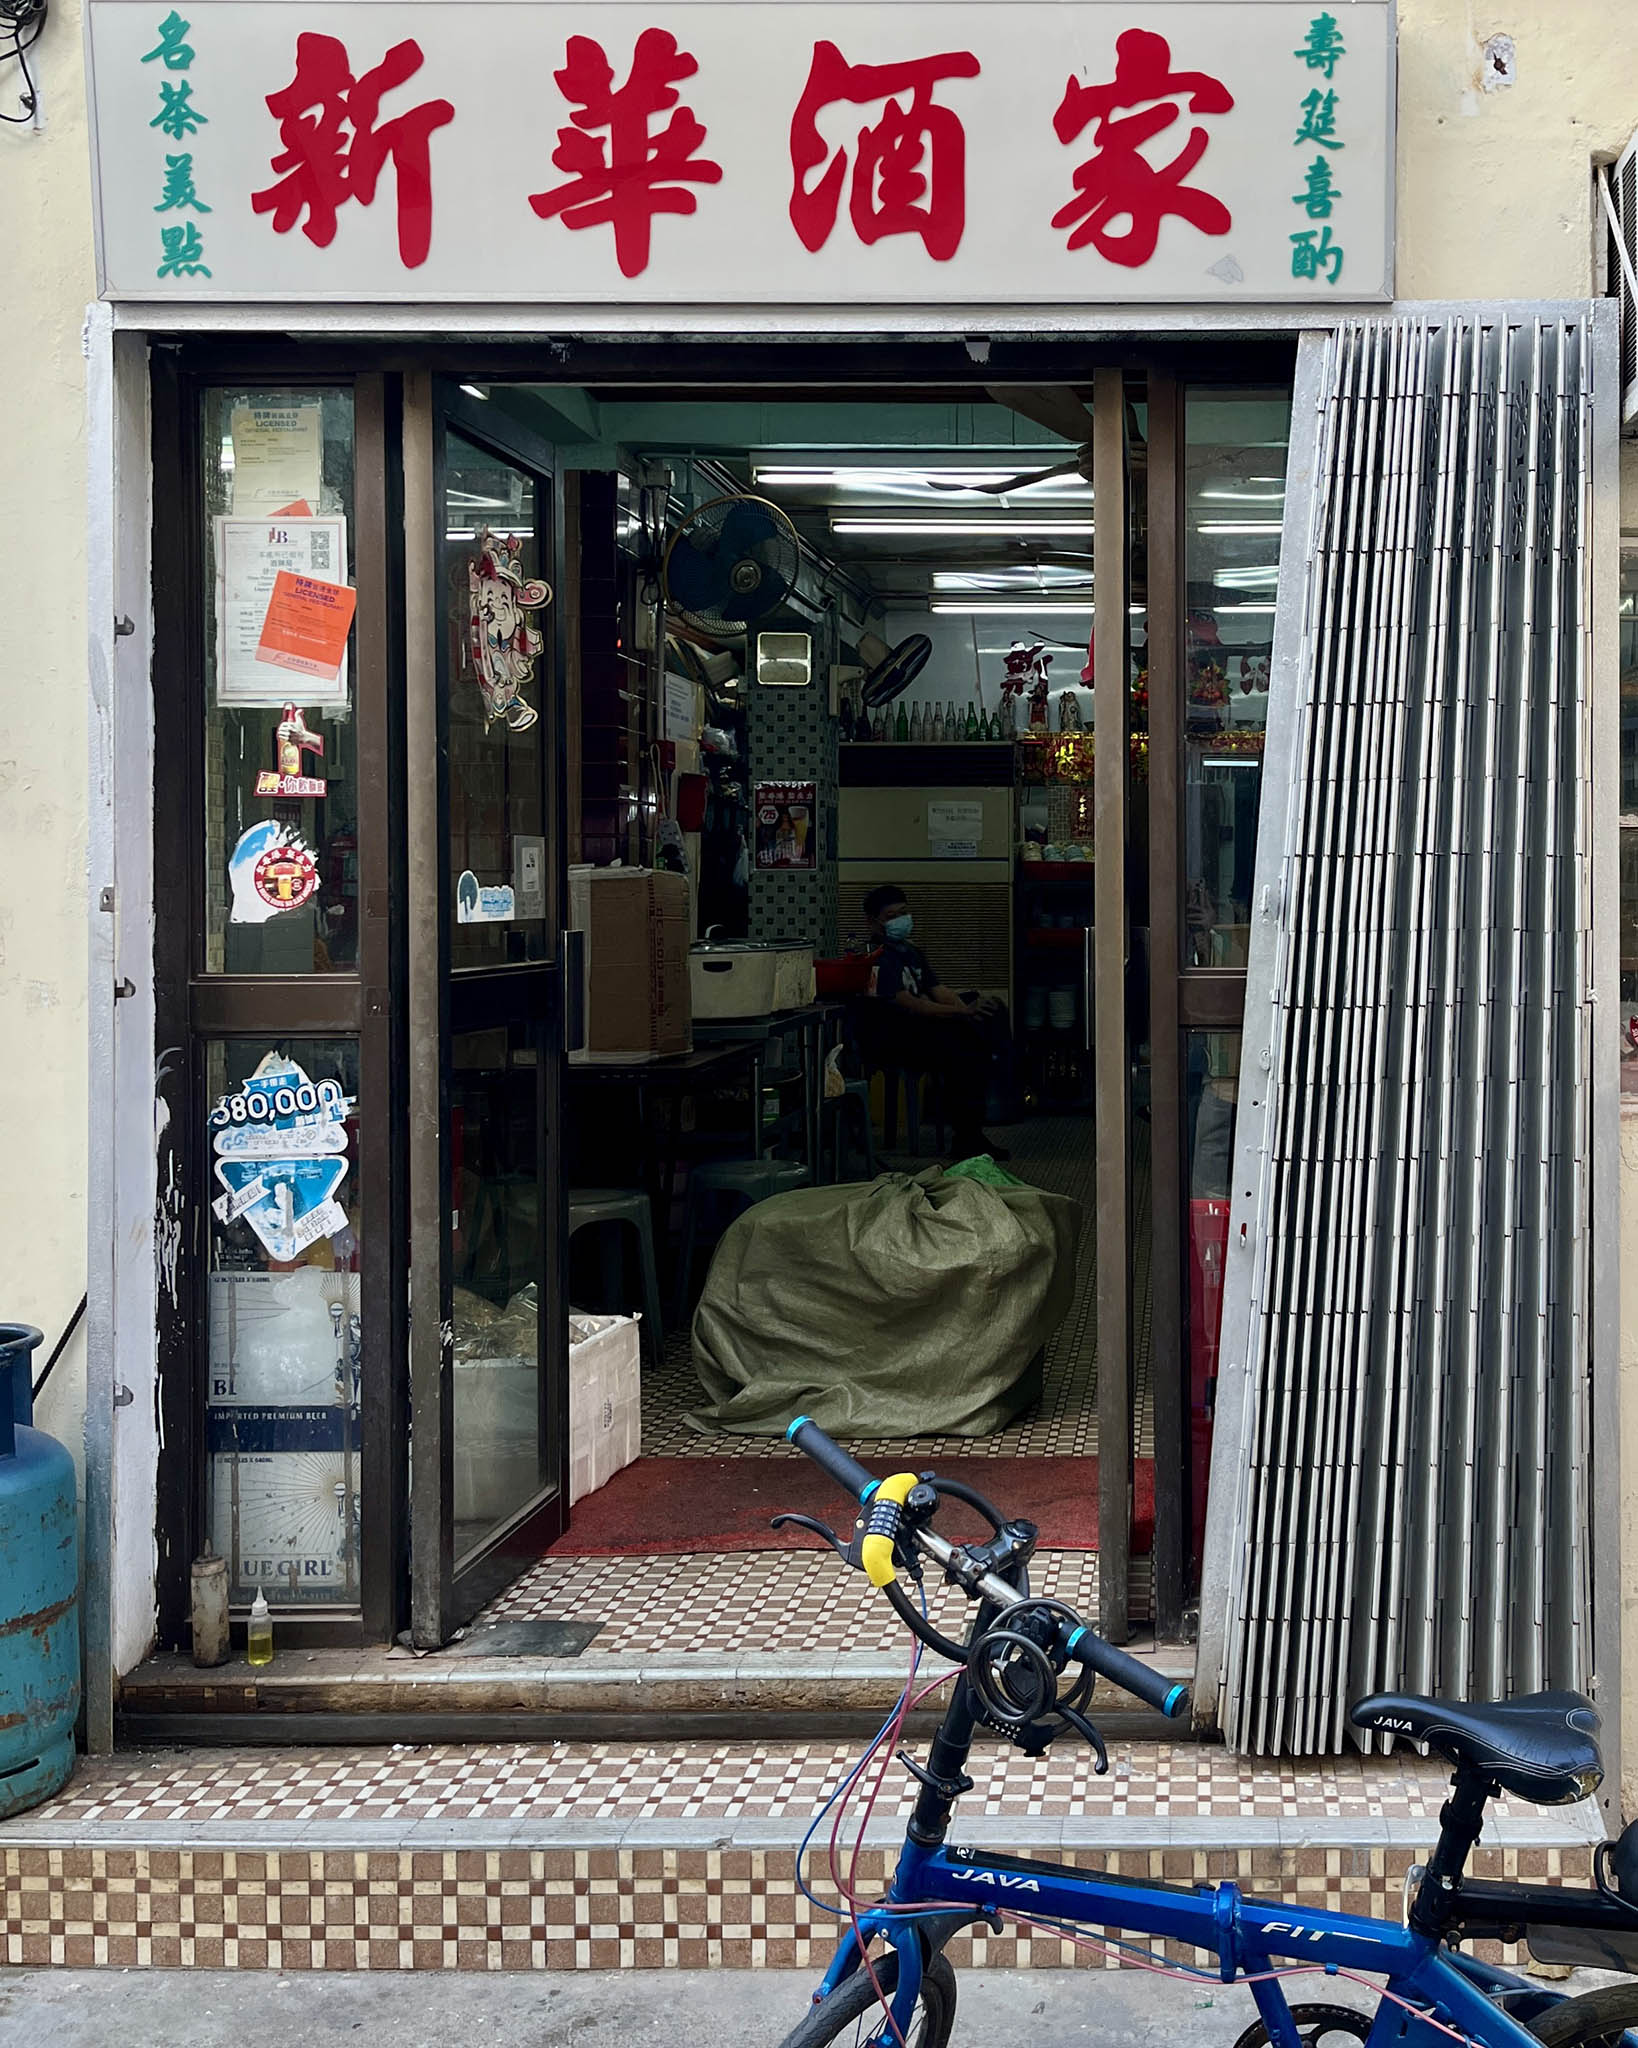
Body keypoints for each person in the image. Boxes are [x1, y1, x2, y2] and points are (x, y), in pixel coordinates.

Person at [855, 883, 1012, 1162]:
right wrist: (963, 1015)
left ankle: (994, 1078)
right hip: (894, 1034)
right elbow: (911, 1004)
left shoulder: (911, 952)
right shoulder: (875, 958)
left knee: (990, 1010)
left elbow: (939, 991)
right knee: (964, 1043)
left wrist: (968, 1010)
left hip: (923, 1027)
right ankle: (968, 1135)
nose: (901, 920)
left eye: (903, 913)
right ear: (873, 921)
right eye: (892, 916)